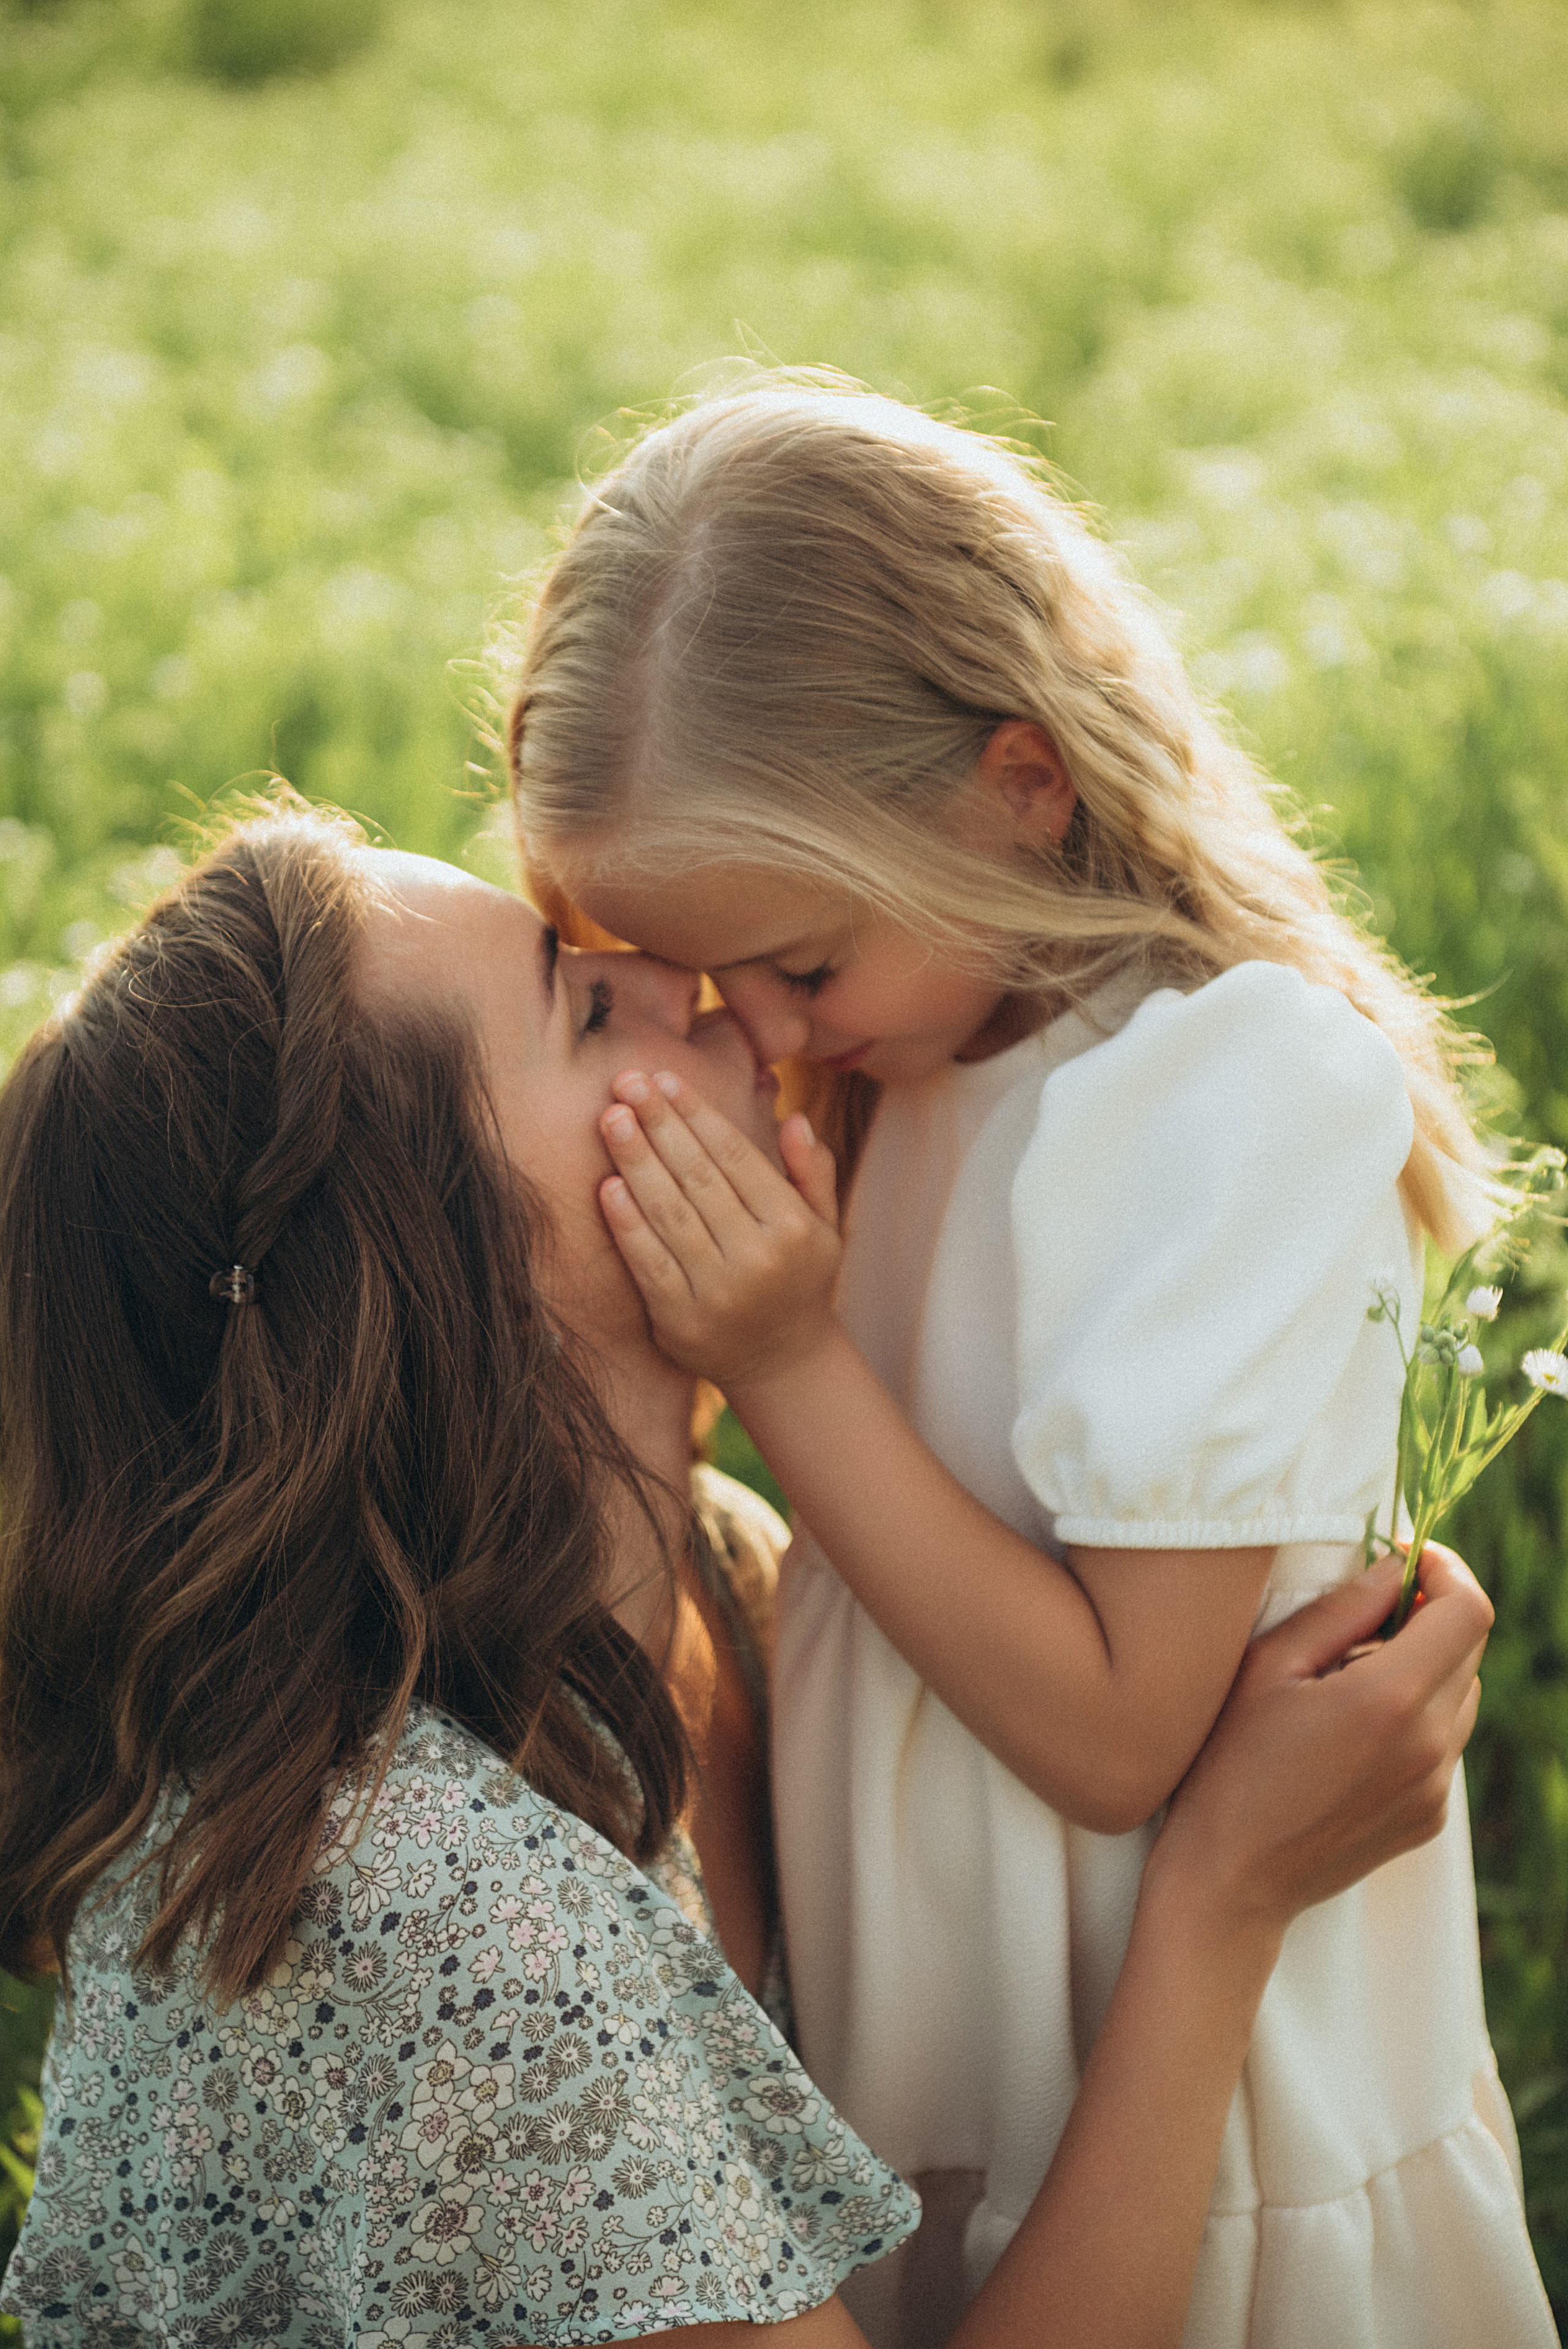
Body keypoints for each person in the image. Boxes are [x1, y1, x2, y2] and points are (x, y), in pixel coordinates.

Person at [0, 804, 1492, 2349]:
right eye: (587, 1005)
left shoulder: (730, 1579)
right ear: (457, 1270)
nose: (683, 980)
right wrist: (1224, 1895)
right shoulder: (418, 1913)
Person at [503, 374, 1558, 2348]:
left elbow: (1115, 1735)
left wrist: (784, 1356)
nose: (760, 1033)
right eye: (705, 978)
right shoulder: (911, 1047)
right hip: (933, 2028)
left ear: (1021, 782)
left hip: (1182, 2096)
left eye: (800, 965)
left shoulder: (1223, 1096)